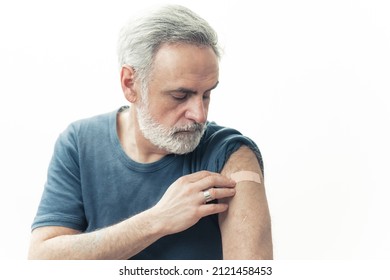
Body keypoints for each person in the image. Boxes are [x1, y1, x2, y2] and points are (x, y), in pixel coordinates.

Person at [28, 4, 273, 260]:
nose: (200, 115)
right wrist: (157, 220)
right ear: (130, 84)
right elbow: (42, 260)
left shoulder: (231, 154)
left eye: (207, 94)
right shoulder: (80, 144)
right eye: (180, 95)